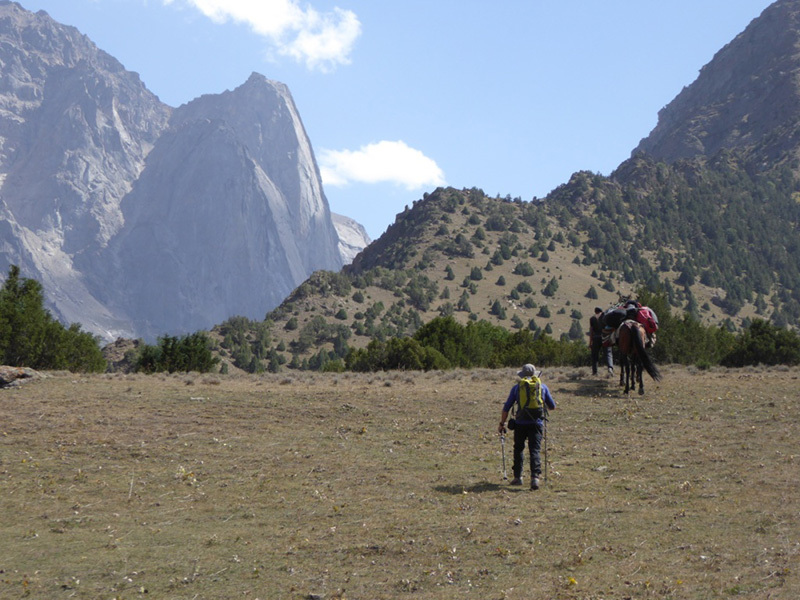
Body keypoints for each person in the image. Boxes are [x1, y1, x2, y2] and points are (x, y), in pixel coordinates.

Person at [498, 364, 556, 490]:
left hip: (520, 423)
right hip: (536, 423)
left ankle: (518, 477)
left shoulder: (517, 388)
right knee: (534, 449)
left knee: (518, 449)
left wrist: (502, 423)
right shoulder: (542, 387)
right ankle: (535, 478)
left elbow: (506, 407)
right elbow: (552, 406)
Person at [589, 306, 614, 376]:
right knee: (608, 353)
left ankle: (595, 372)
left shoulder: (592, 318)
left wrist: (590, 342)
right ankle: (610, 368)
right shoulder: (605, 317)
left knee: (595, 355)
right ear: (601, 311)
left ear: (595, 312)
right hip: (605, 337)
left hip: (596, 337)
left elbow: (591, 331)